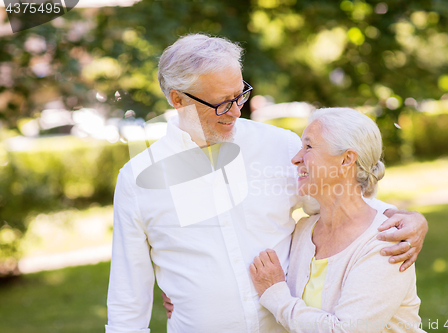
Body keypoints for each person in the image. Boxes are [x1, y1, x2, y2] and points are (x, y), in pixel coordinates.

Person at [106, 34, 428, 333]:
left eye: (240, 94)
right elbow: (127, 304)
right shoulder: (138, 180)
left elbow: (343, 202)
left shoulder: (280, 147)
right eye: (221, 102)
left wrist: (408, 220)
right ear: (178, 99)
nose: (236, 111)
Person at [250, 108, 425, 332]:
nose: (295, 159)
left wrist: (275, 294)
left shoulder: (386, 243)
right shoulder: (304, 229)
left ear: (346, 160)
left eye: (309, 147)